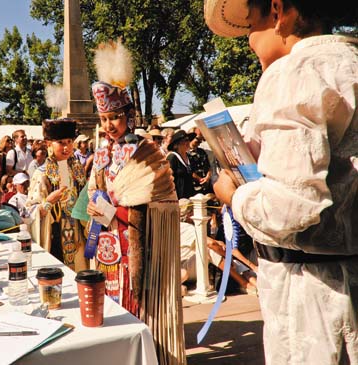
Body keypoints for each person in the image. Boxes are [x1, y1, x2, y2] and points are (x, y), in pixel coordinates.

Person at [205, 0, 358, 363]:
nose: (249, 42)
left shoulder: (294, 72)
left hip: (313, 296)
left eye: (249, 26)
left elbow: (290, 207)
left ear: (277, 13)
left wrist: (235, 195)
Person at [86, 40, 183, 363]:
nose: (109, 125)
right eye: (103, 119)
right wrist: (91, 207)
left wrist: (116, 211)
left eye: (114, 117)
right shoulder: (100, 153)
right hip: (105, 242)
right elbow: (92, 191)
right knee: (110, 302)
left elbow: (160, 198)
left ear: (129, 114)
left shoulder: (145, 150)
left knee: (134, 301)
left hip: (135, 241)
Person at [26, 119, 88, 271]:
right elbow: (30, 212)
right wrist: (48, 202)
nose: (67, 147)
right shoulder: (41, 174)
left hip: (79, 235)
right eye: (60, 142)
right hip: (55, 236)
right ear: (49, 144)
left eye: (69, 141)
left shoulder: (77, 170)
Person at [166, 129, 198, 199]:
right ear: (177, 144)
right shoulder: (172, 157)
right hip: (178, 197)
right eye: (185, 140)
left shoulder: (189, 157)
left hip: (190, 196)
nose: (188, 142)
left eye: (188, 140)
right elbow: (167, 178)